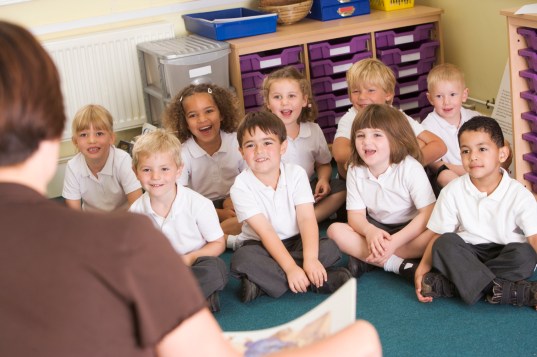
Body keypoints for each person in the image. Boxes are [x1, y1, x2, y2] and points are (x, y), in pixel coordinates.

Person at [0, 20, 383, 357]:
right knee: (361, 337)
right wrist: (358, 340)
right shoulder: (125, 240)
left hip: (250, 229)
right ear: (56, 135)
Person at [415, 116, 537, 309]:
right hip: (468, 252)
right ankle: (513, 292)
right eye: (465, 151)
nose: (473, 157)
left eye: (482, 149)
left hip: (504, 252)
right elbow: (439, 235)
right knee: (443, 243)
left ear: (502, 154)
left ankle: (452, 285)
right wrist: (422, 269)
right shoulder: (452, 191)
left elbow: (534, 239)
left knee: (526, 255)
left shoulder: (520, 195)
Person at [230, 111, 352, 303]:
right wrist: (290, 268)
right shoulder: (240, 187)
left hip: (296, 241)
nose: (259, 151)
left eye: (268, 142)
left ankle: (263, 286)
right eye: (250, 145)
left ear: (283, 147)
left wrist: (311, 259)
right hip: (261, 244)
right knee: (242, 260)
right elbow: (266, 232)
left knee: (329, 248)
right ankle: (314, 280)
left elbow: (306, 218)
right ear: (241, 152)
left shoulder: (296, 173)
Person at [328, 104, 436, 280]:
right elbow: (355, 217)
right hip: (377, 228)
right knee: (334, 231)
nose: (366, 142)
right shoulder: (355, 170)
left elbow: (428, 214)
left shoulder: (410, 168)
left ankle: (370, 258)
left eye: (377, 135)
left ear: (396, 139)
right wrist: (370, 232)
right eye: (360, 135)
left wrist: (395, 242)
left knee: (440, 235)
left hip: (410, 230)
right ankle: (398, 265)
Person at [129, 129, 228, 312]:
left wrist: (189, 258)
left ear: (178, 170)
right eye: (147, 170)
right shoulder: (135, 213)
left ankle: (170, 302)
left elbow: (218, 243)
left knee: (216, 269)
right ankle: (194, 300)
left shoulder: (199, 204)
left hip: (194, 264)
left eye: (164, 169)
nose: (156, 177)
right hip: (160, 271)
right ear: (135, 172)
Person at [332, 58, 447, 179]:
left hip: (395, 175)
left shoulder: (396, 115)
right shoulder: (351, 117)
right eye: (355, 91)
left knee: (420, 143)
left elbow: (439, 146)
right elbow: (339, 154)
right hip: (362, 180)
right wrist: (386, 155)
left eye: (370, 90)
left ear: (388, 94)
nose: (362, 96)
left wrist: (401, 168)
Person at [262, 66, 346, 222]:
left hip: (307, 191)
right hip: (275, 197)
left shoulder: (313, 130)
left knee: (341, 189)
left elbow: (324, 164)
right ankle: (298, 223)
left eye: (291, 96)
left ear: (304, 100)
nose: (285, 102)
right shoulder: (263, 135)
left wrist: (323, 180)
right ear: (268, 102)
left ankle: (303, 222)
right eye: (277, 97)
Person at [164, 83, 244, 239]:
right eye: (193, 115)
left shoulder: (237, 142)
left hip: (237, 200)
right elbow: (180, 198)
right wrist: (218, 214)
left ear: (221, 114)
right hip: (200, 207)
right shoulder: (182, 152)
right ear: (185, 122)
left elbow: (254, 178)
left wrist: (233, 199)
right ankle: (223, 234)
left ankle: (219, 235)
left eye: (209, 111)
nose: (202, 119)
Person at [422, 63, 512, 188]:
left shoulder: (475, 118)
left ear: (464, 95)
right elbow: (434, 163)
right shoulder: (427, 126)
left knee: (504, 151)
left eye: (452, 94)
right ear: (430, 98)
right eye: (439, 96)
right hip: (453, 173)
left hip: (479, 168)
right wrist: (466, 171)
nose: (446, 102)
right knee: (445, 176)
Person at [62, 104, 142, 211]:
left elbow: (137, 206)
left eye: (99, 133)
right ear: (75, 142)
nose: (91, 140)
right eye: (83, 135)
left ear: (111, 138)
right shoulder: (73, 167)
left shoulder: (123, 161)